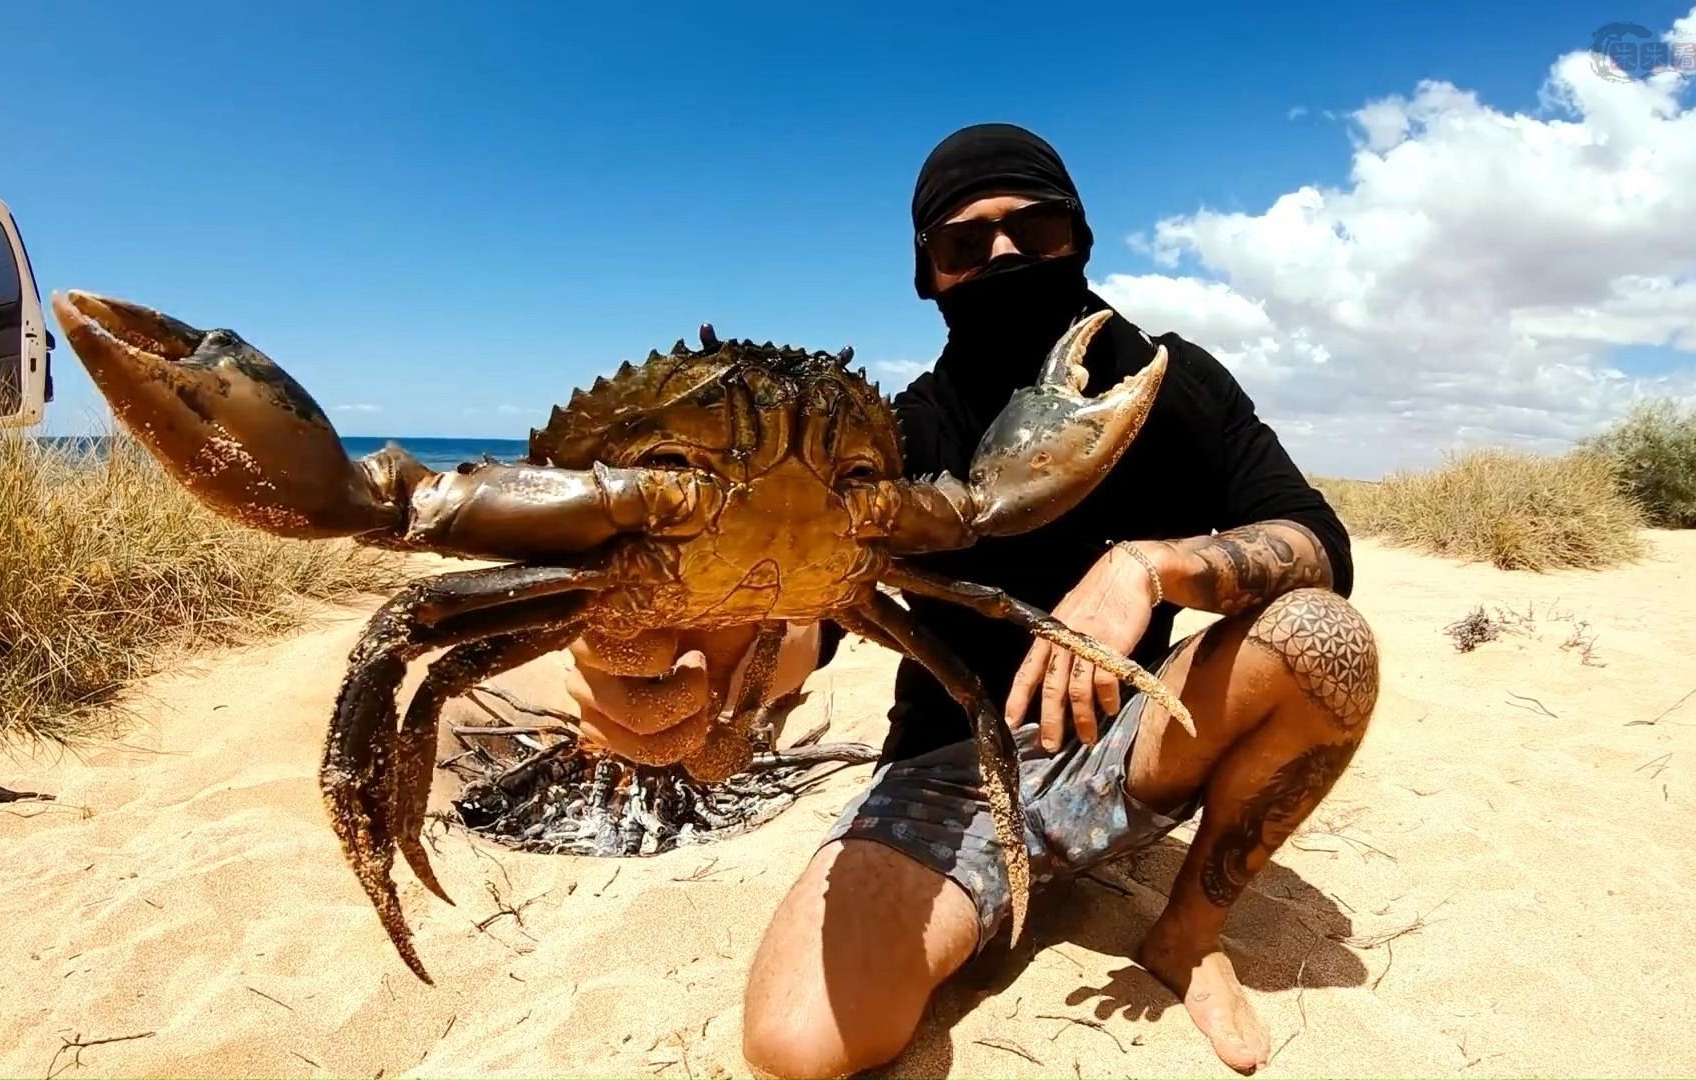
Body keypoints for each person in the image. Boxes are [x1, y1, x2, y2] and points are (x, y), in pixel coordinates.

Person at [567, 122, 1380, 1078]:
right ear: (929, 275)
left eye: (1032, 232)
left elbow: (1316, 543)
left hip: (1131, 737)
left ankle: (1188, 935)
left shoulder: (1167, 383)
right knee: (799, 1043)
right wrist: (707, 663)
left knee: (1324, 639)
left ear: (1078, 236)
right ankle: (1001, 882)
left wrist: (1147, 568)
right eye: (964, 244)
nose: (1002, 256)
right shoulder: (907, 428)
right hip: (949, 772)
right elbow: (813, 622)